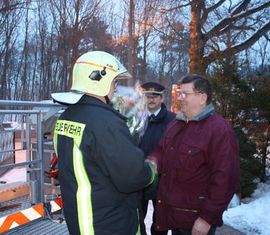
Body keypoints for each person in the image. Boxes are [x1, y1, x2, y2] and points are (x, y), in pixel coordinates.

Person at [51, 51, 157, 235]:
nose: (115, 89)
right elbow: (133, 177)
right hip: (109, 223)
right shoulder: (106, 122)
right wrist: (151, 169)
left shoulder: (66, 117)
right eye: (114, 82)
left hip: (81, 220)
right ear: (99, 79)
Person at [148, 74, 240, 235]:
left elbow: (225, 179)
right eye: (179, 93)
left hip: (195, 220)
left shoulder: (219, 130)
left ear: (202, 97)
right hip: (172, 215)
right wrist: (152, 162)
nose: (180, 98)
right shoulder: (176, 124)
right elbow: (161, 150)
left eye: (185, 94)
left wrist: (207, 219)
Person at [138, 81, 176, 235]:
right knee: (137, 218)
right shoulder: (134, 118)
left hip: (162, 179)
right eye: (148, 95)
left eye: (155, 96)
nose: (151, 99)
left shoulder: (173, 121)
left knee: (161, 222)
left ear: (162, 98)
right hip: (138, 177)